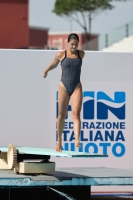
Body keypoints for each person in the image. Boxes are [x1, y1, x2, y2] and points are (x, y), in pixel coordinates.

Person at [43, 33, 85, 152]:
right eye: (72, 44)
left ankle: (77, 139)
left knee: (76, 114)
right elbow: (54, 64)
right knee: (61, 115)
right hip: (63, 86)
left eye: (76, 44)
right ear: (67, 43)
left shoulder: (81, 54)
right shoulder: (61, 55)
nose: (74, 47)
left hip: (77, 86)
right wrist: (46, 70)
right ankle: (59, 140)